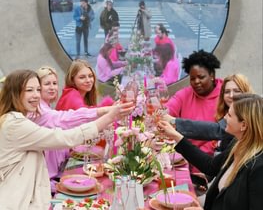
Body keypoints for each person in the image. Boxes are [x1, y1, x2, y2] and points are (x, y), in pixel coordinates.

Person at [0, 69, 134, 209]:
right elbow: (64, 138)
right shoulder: (15, 124)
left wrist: (106, 111)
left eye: (38, 90)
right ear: (14, 92)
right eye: (29, 90)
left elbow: (65, 119)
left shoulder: (15, 118)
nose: (36, 95)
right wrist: (111, 116)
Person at [157, 93, 263, 210]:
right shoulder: (238, 144)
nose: (225, 118)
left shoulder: (258, 167)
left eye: (229, 115)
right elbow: (211, 166)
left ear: (243, 125)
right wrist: (176, 136)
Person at [32, 66, 119, 192]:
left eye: (55, 83)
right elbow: (70, 118)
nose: (52, 87)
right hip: (48, 181)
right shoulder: (42, 109)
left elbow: (60, 140)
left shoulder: (46, 106)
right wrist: (107, 111)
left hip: (57, 171)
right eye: (47, 84)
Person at [166, 50, 222, 173]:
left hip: (211, 164)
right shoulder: (185, 94)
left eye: (201, 77)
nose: (196, 82)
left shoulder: (226, 95)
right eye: (192, 78)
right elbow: (168, 110)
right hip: (184, 158)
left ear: (212, 75)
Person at [166, 74, 254, 151]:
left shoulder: (250, 112)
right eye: (227, 92)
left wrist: (174, 122)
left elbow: (216, 130)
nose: (231, 96)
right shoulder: (227, 111)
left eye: (237, 91)